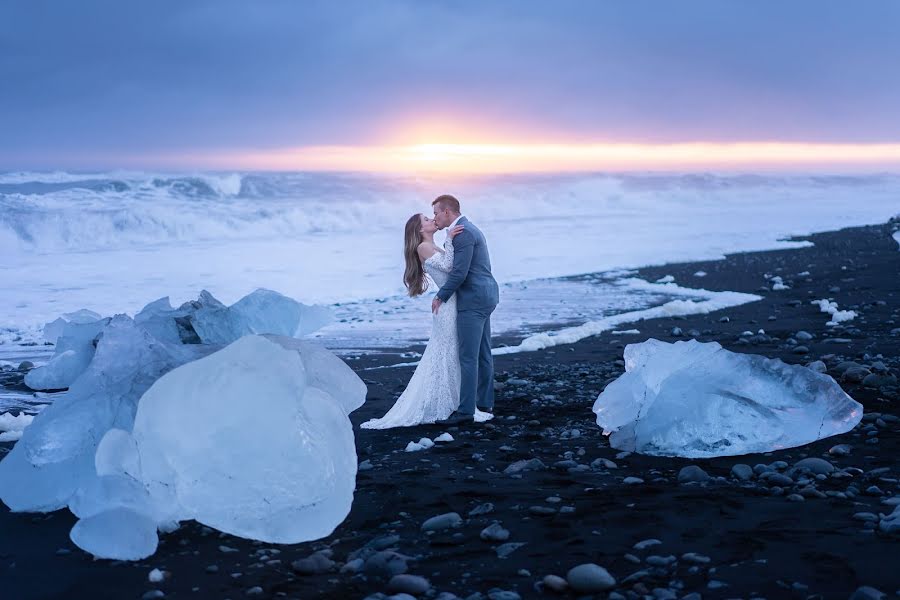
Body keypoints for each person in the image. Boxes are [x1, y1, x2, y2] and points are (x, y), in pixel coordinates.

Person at [360, 210, 493, 429]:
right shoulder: (424, 247)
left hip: (453, 302)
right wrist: (450, 241)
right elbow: (450, 268)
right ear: (420, 229)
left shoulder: (432, 246)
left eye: (432, 217)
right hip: (448, 306)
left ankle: (457, 402)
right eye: (427, 219)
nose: (432, 220)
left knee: (453, 354)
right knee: (447, 353)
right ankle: (445, 403)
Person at [431, 194, 500, 425]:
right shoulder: (464, 230)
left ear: (447, 212)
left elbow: (459, 272)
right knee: (482, 352)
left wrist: (441, 295)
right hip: (486, 294)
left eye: (436, 213)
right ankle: (484, 402)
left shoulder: (464, 233)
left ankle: (466, 411)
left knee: (468, 357)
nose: (435, 218)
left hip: (474, 298)